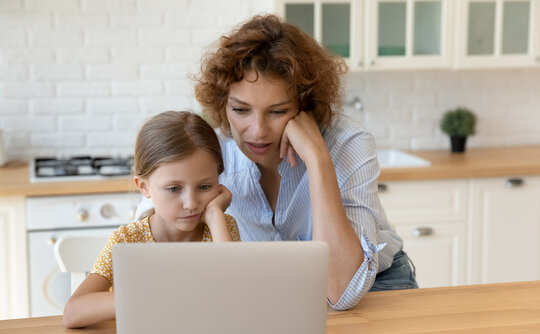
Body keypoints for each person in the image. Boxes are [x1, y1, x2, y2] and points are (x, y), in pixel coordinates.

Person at [139, 14, 418, 310]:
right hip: (276, 292)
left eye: (277, 111)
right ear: (222, 104)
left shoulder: (346, 142)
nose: (257, 132)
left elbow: (341, 292)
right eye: (241, 109)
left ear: (305, 105)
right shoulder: (212, 146)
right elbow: (146, 232)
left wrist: (317, 158)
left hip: (375, 288)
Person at [63, 111, 241, 328]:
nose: (191, 203)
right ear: (144, 187)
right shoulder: (128, 239)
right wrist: (153, 299)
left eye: (204, 186)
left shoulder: (221, 228)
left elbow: (236, 294)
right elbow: (73, 312)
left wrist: (215, 215)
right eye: (174, 188)